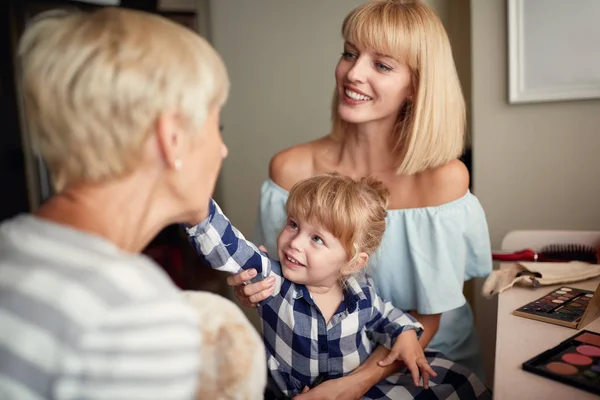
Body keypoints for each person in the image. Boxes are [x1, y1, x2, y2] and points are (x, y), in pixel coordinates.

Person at [227, 0, 493, 398]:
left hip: (427, 361)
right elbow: (282, 277)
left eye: (382, 65)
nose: (353, 72)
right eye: (350, 53)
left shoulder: (443, 180)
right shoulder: (290, 169)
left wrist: (351, 385)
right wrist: (251, 288)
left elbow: (428, 318)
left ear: (416, 86)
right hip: (312, 364)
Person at [0, 7, 264, 400]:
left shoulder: (12, 241)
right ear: (172, 138)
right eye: (216, 127)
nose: (223, 150)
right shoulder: (133, 312)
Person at [186, 174, 439, 399]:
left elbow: (388, 316)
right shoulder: (274, 282)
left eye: (317, 238)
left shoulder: (361, 294)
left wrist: (405, 334)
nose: (295, 242)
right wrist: (195, 204)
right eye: (293, 224)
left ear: (352, 262)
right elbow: (229, 247)